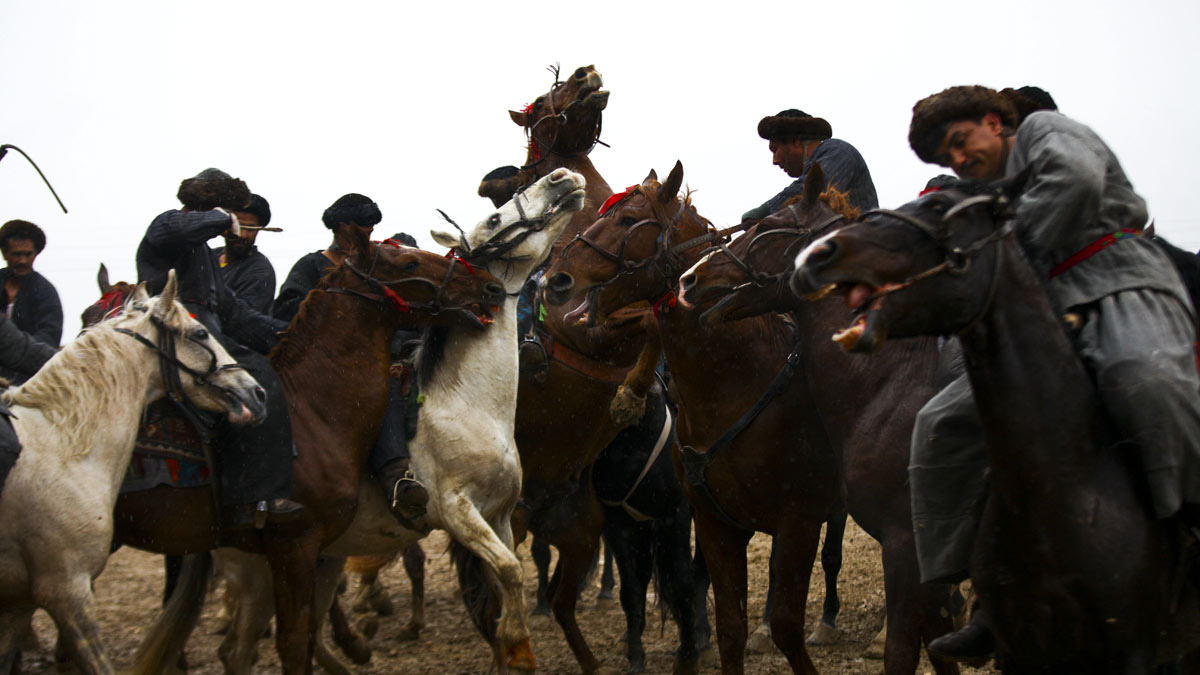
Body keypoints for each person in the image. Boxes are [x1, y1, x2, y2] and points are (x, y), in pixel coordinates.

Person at [905, 85, 1200, 662]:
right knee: (942, 423)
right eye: (947, 158)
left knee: (1143, 379)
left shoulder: (1046, 132)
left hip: (1118, 280)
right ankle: (985, 595)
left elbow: (1077, 183)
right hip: (1046, 308)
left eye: (960, 143)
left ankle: (1192, 527)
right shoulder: (979, 188)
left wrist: (1002, 256)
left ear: (994, 120)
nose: (958, 161)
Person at [136, 168, 303, 530]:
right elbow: (188, 227)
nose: (234, 226)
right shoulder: (168, 226)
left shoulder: (205, 257)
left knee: (262, 363)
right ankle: (253, 496)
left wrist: (291, 335)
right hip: (173, 337)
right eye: (228, 211)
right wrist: (223, 217)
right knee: (259, 379)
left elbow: (234, 312)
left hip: (203, 338)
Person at [273, 194, 429, 529]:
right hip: (322, 364)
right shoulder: (312, 265)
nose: (370, 232)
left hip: (373, 360)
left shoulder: (373, 269)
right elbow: (286, 311)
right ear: (343, 227)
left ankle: (396, 476)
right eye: (363, 226)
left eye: (373, 226)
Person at [742, 109, 878, 221]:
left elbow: (808, 191)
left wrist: (763, 212)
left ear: (795, 141)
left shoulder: (838, 150)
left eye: (775, 149)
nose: (775, 160)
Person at [0, 219, 62, 350]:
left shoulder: (45, 292)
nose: (23, 260)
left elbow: (49, 340)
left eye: (28, 254)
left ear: (36, 253)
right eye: (16, 254)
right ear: (4, 253)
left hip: (28, 368)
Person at [214, 193, 276, 314]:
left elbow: (241, 318)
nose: (243, 235)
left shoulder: (260, 271)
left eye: (250, 229)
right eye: (238, 226)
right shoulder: (208, 257)